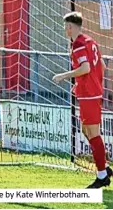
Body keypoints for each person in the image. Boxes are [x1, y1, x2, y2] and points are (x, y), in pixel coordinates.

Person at [52, 12, 112, 188]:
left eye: (65, 26)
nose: (65, 30)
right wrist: (83, 84)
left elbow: (85, 67)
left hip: (90, 94)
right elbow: (101, 66)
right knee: (85, 129)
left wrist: (64, 76)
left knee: (93, 133)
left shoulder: (78, 44)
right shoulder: (90, 40)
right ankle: (105, 168)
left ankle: (102, 175)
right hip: (90, 92)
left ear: (70, 26)